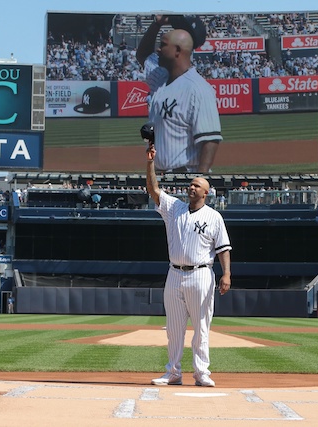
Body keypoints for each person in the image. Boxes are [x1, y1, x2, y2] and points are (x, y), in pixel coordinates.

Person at [145, 142, 232, 387]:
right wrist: (150, 162)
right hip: (174, 273)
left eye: (197, 185)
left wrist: (226, 274)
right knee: (173, 329)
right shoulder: (175, 208)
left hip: (201, 274)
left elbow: (223, 247)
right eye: (191, 184)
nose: (191, 187)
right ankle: (172, 372)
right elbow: (153, 189)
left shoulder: (214, 216)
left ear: (206, 193)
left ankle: (201, 372)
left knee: (201, 327)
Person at [137, 16, 222, 173]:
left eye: (163, 45)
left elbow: (210, 140)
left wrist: (198, 182)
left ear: (177, 51)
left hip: (184, 177)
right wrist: (157, 24)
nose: (158, 49)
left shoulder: (198, 88)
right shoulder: (160, 77)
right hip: (160, 177)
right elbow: (142, 55)